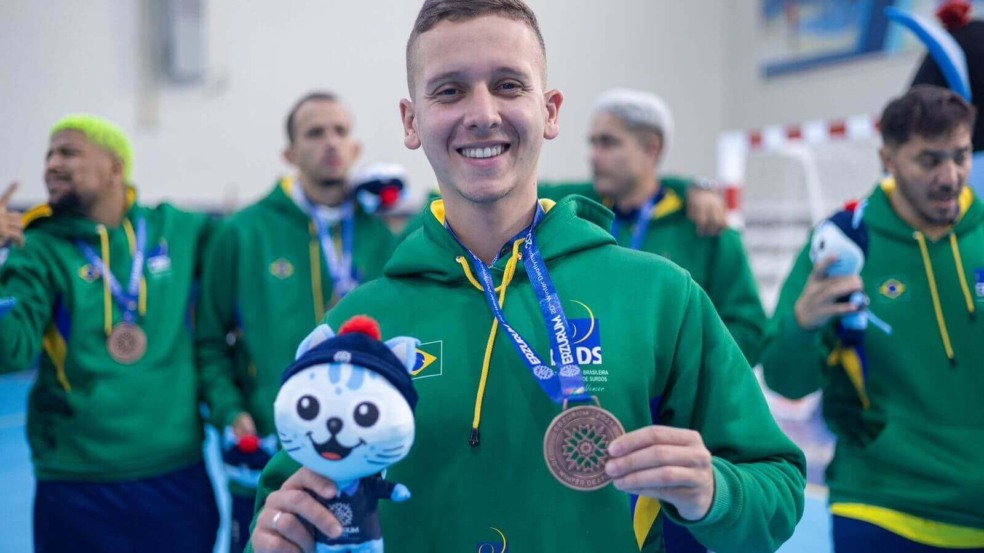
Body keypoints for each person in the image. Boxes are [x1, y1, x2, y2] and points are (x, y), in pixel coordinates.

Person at [248, 1, 805, 552]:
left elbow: (776, 489)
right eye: (449, 90)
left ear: (551, 110)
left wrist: (715, 492)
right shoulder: (361, 325)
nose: (483, 113)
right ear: (411, 122)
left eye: (509, 85)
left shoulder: (660, 295)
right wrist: (276, 539)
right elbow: (285, 503)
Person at [0, 114, 239, 552]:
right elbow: (10, 353)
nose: (51, 164)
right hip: (76, 482)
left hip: (175, 474)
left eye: (68, 152)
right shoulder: (37, 249)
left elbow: (247, 248)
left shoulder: (174, 229)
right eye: (48, 155)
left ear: (115, 167)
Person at [760, 85, 984, 552]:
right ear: (888, 158)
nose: (949, 176)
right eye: (929, 160)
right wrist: (802, 326)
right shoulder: (841, 246)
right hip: (878, 503)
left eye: (960, 156)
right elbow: (786, 381)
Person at [196, 91, 397, 552]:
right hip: (270, 453)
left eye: (340, 131)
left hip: (365, 458)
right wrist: (232, 411)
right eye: (315, 132)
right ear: (290, 153)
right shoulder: (243, 233)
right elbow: (209, 340)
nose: (330, 142)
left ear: (356, 148)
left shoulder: (380, 233)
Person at [543, 89, 765, 367]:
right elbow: (527, 190)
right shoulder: (579, 210)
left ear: (651, 148)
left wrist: (679, 366)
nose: (594, 156)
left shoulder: (707, 227)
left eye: (608, 143)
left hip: (675, 401)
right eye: (593, 143)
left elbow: (749, 331)